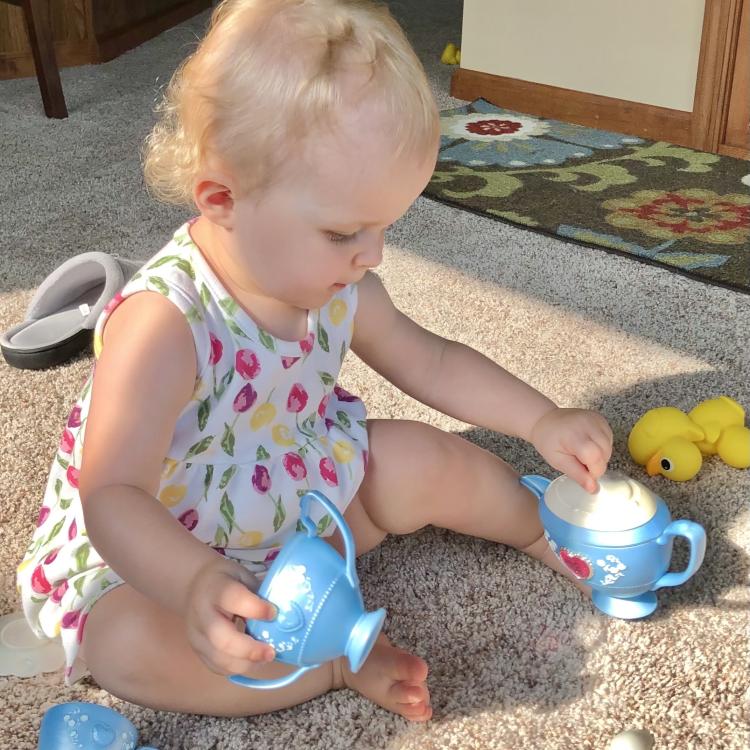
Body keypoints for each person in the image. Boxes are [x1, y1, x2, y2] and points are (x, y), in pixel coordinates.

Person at [17, 0, 612, 722]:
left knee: (425, 458)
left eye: (387, 226)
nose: (373, 254)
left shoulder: (342, 286)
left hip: (301, 493)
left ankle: (540, 527)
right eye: (344, 232)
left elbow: (432, 361)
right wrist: (196, 580)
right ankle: (330, 661)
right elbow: (111, 496)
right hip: (161, 551)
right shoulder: (163, 327)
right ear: (221, 196)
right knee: (125, 646)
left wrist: (540, 419)